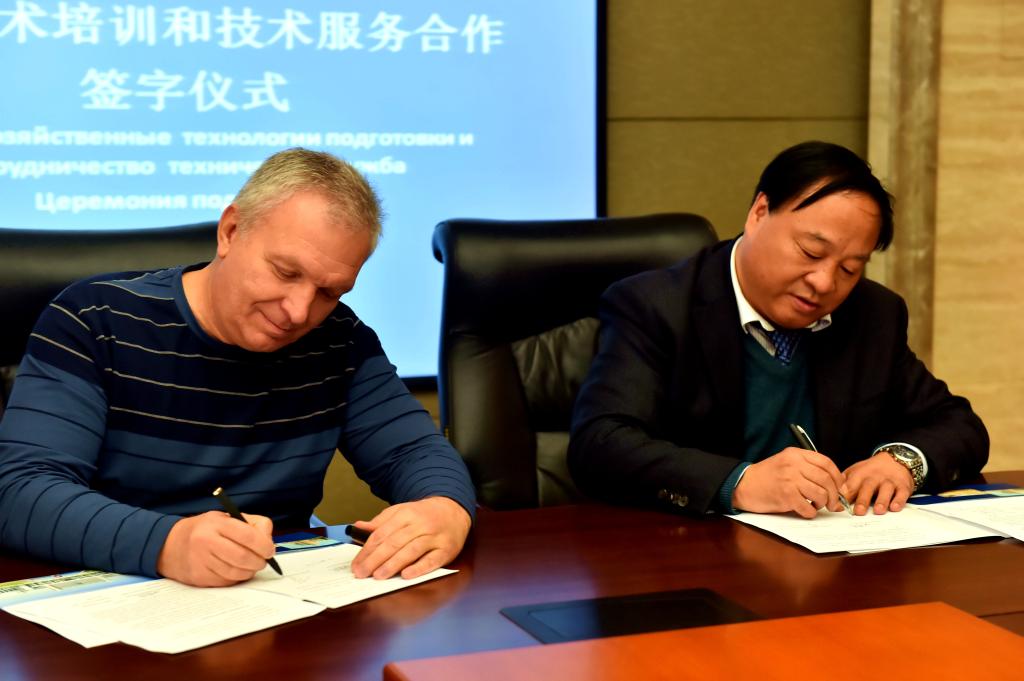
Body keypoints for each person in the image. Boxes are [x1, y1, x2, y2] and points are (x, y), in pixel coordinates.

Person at [0, 148, 475, 586]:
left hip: (273, 602)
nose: (298, 312)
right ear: (230, 231)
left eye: (329, 292)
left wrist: (445, 507)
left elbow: (413, 452)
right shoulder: (94, 320)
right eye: (286, 272)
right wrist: (167, 544)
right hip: (101, 600)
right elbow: (19, 491)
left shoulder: (339, 340)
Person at [568, 141, 988, 519]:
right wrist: (739, 482)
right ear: (759, 213)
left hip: (832, 552)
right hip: (690, 554)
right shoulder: (656, 306)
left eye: (849, 269)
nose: (824, 282)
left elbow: (959, 425)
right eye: (811, 252)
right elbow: (601, 444)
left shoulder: (872, 314)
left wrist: (902, 461)